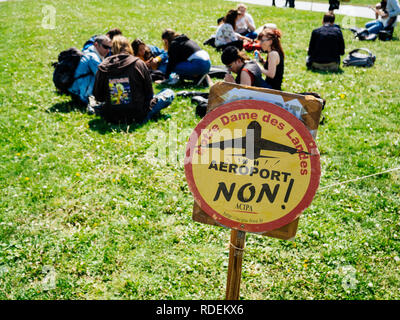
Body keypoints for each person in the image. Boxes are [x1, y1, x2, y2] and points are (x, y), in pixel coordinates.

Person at [92, 35, 174, 124]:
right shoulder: (139, 63)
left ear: (112, 49)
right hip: (138, 114)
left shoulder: (104, 66)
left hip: (112, 115)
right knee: (168, 92)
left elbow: (98, 96)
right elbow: (149, 94)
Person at [68, 35, 112, 106]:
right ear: (96, 44)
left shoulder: (88, 52)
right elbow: (103, 77)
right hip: (81, 94)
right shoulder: (93, 57)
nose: (108, 50)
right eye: (105, 47)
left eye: (110, 48)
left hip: (75, 90)